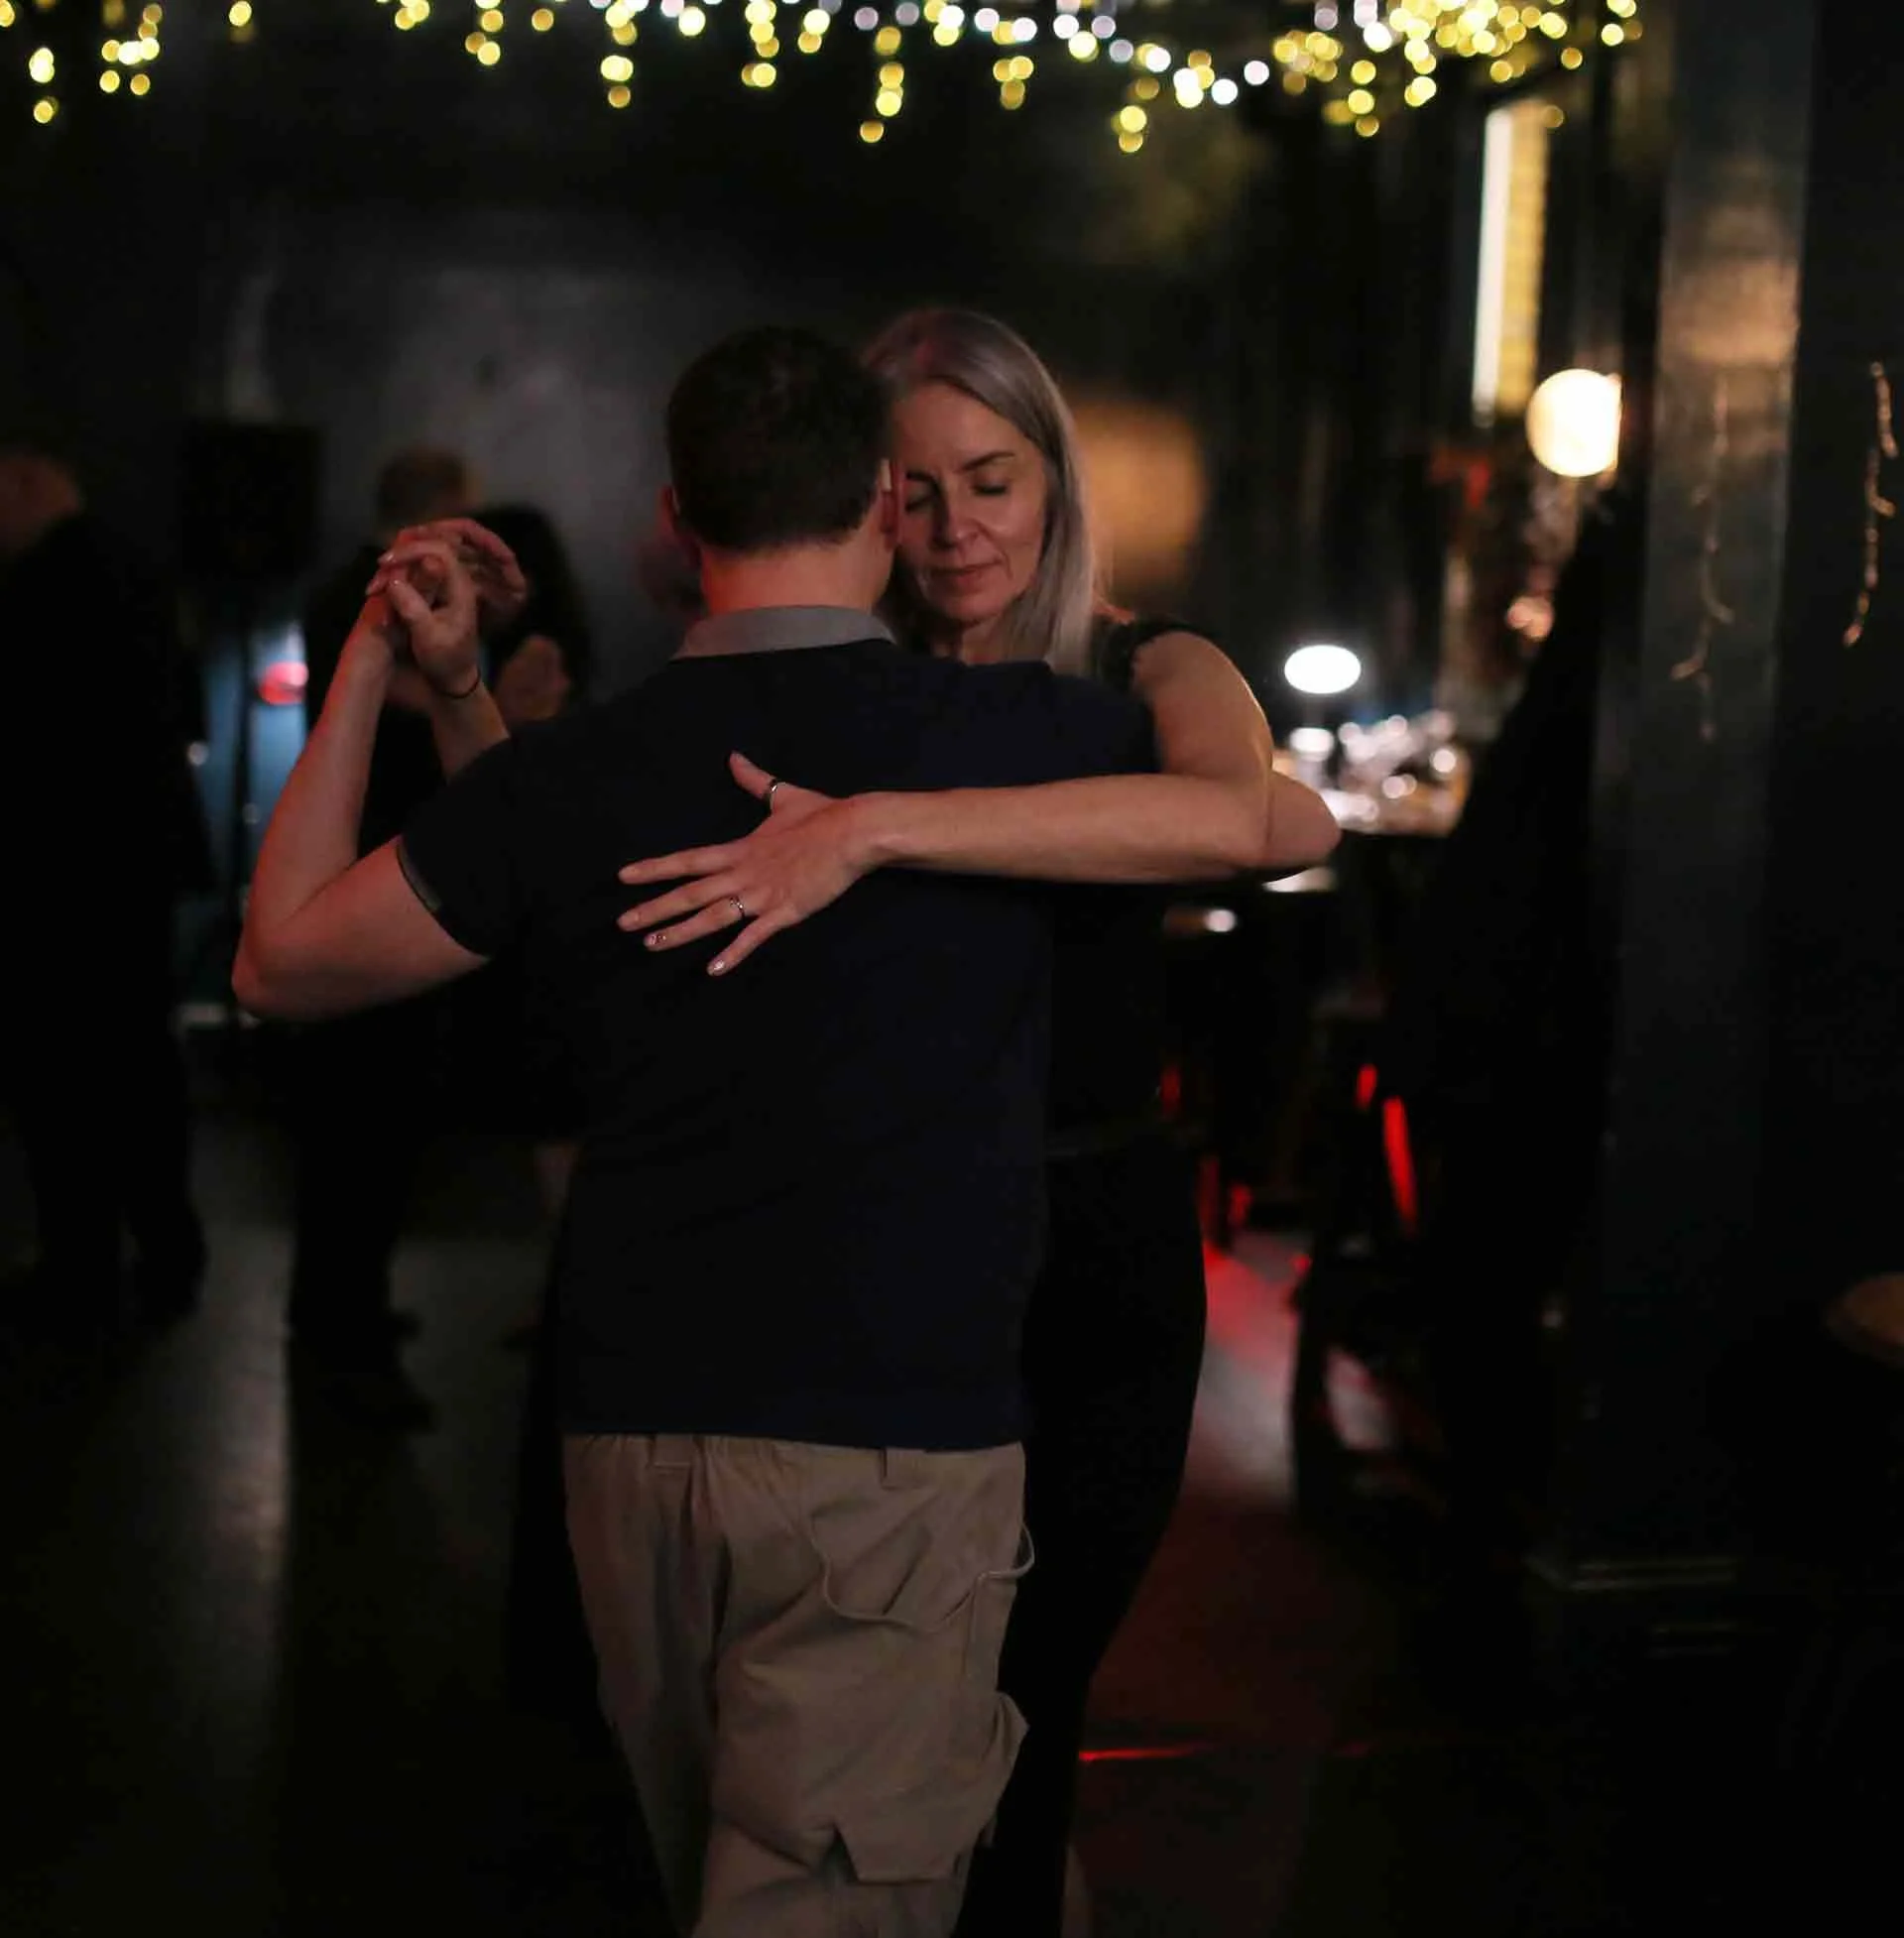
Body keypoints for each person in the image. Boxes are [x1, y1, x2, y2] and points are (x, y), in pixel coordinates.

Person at [233, 323, 1170, 1937]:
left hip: (632, 1436)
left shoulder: (577, 772)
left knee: (708, 1875)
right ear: (885, 499)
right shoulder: (1022, 734)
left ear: (677, 518)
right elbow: (1256, 816)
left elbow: (279, 957)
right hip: (888, 1439)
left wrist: (382, 661)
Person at [614, 307, 1342, 1936]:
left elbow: (1260, 815)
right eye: (915, 489)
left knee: (1032, 1674)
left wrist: (877, 832)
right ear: (859, 498)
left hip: (1092, 1244)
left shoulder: (1145, 668)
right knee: (866, 1715)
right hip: (870, 1239)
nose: (955, 532)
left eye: (992, 479)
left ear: (1058, 480)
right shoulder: (819, 690)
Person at [287, 452, 586, 1427]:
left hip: (379, 891)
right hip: (369, 897)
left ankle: (347, 1318)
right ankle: (342, 1341)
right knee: (358, 1134)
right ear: (440, 517)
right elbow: (412, 718)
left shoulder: (357, 596)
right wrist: (500, 709)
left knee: (367, 1133)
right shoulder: (364, 603)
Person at [0, 430, 211, 1340]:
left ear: (24, 480)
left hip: (60, 869)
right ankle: (167, 1253)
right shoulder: (139, 571)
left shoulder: (43, 585)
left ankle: (79, 1268)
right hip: (134, 863)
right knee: (135, 1063)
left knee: (62, 1075)